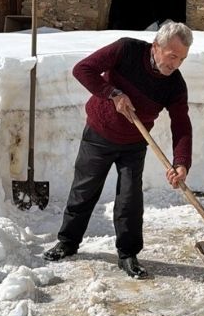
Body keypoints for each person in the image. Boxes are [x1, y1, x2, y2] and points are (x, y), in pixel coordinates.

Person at [43, 22, 193, 279]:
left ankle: (128, 254)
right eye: (172, 56)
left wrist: (181, 162)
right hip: (98, 134)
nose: (176, 64)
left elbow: (182, 124)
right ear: (156, 46)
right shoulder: (126, 50)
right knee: (84, 191)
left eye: (182, 59)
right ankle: (67, 242)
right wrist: (111, 93)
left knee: (129, 200)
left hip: (134, 144)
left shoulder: (174, 85)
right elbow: (83, 69)